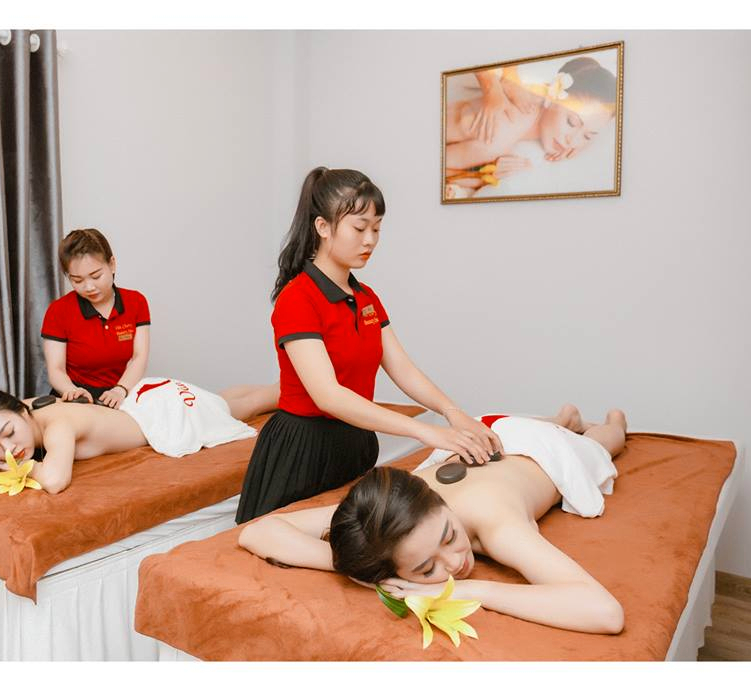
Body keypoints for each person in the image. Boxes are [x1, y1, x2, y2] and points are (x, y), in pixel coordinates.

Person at [235, 167, 504, 525]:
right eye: (359, 228)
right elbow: (328, 396)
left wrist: (452, 412)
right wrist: (425, 432)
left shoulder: (366, 298)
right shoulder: (297, 298)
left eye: (376, 228)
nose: (371, 240)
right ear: (323, 227)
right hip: (303, 451)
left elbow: (402, 368)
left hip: (355, 443)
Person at [238, 405, 628, 634]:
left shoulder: (495, 521)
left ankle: (608, 420)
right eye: (427, 570)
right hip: (494, 433)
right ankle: (563, 415)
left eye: (449, 535)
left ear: (437, 502)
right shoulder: (384, 512)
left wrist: (470, 591)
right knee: (547, 424)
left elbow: (604, 613)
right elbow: (259, 532)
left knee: (605, 442)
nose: (455, 562)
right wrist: (359, 569)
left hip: (534, 446)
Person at [0, 378, 278, 494]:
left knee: (243, 406)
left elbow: (54, 481)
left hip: (162, 414)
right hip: (143, 402)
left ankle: (297, 385)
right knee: (224, 399)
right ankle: (281, 382)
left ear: (22, 412)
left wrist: (16, 465)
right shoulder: (30, 408)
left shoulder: (58, 425)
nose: (9, 449)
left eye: (9, 433)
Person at [444, 57, 618, 197]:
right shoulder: (499, 131)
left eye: (587, 136)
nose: (571, 141)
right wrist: (484, 176)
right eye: (571, 122)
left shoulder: (533, 95)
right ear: (553, 97)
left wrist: (579, 139)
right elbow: (438, 169)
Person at [41, 228, 151, 409]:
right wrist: (73, 392)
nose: (89, 287)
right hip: (74, 396)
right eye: (77, 280)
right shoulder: (58, 311)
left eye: (96, 276)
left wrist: (120, 390)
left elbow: (139, 357)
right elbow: (56, 369)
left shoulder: (136, 302)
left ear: (112, 264)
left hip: (119, 395)